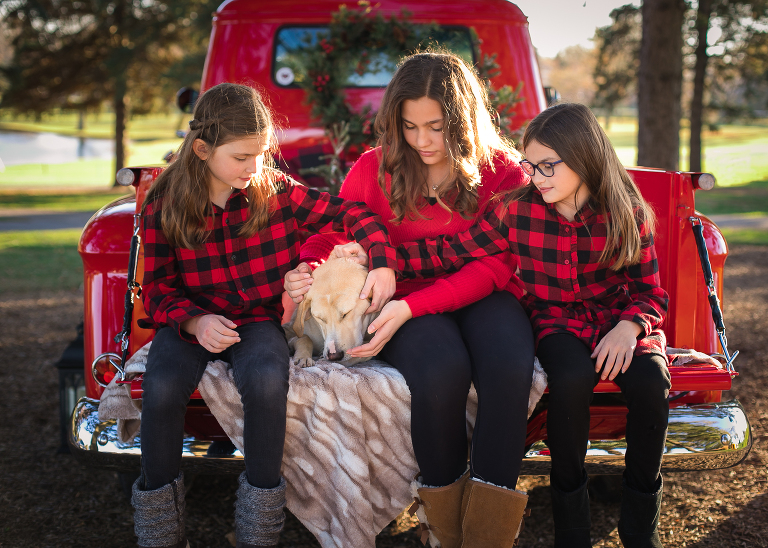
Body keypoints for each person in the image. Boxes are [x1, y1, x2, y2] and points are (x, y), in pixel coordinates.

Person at [386, 102, 672, 547]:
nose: (536, 177)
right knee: (571, 381)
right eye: (530, 165)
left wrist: (630, 328)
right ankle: (572, 531)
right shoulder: (515, 211)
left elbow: (650, 293)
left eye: (547, 166)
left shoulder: (627, 213)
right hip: (557, 323)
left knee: (652, 384)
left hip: (619, 322)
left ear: (583, 158)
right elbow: (452, 250)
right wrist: (379, 258)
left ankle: (640, 528)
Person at [284, 52, 535, 547]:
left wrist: (411, 306)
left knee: (509, 366)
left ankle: (486, 537)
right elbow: (334, 234)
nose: (422, 141)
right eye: (410, 126)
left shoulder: (502, 172)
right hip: (404, 297)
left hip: (481, 291)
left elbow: (497, 263)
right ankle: (442, 529)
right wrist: (310, 268)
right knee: (440, 370)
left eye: (437, 127)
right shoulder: (374, 168)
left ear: (464, 122)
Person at [132, 82, 396, 548]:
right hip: (190, 321)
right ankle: (162, 534)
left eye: (260, 154)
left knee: (268, 381)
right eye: (241, 157)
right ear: (202, 149)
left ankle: (257, 532)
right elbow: (154, 288)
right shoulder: (164, 202)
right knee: (163, 386)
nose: (254, 167)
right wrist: (195, 322)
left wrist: (380, 260)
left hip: (257, 320)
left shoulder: (276, 192)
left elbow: (355, 213)